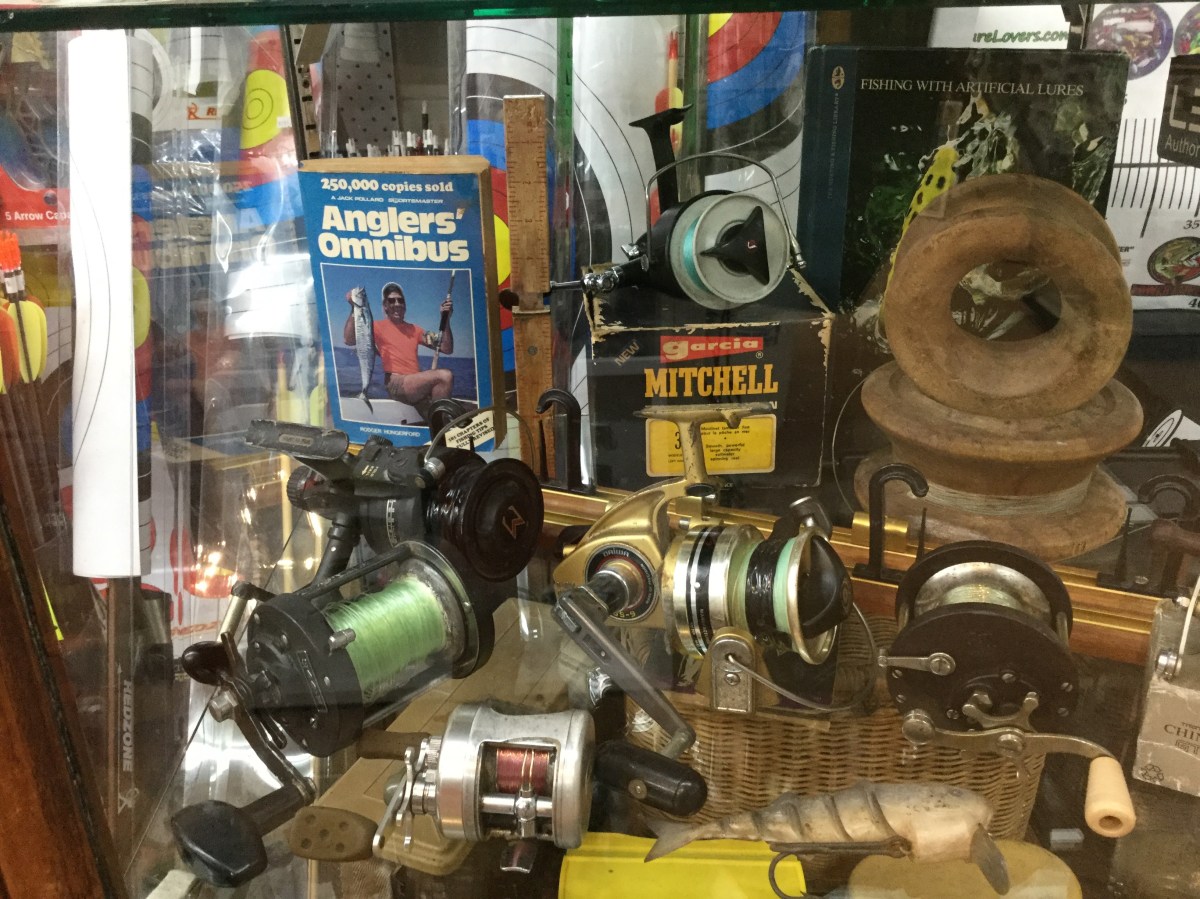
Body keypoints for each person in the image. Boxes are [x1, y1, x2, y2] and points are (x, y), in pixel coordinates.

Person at [343, 281, 453, 423]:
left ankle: (439, 427)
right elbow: (349, 340)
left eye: (400, 301)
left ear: (405, 306)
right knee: (445, 376)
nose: (397, 304)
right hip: (396, 383)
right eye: (391, 301)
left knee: (450, 415)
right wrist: (354, 308)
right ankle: (439, 426)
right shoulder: (376, 326)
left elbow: (446, 348)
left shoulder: (415, 330)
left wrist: (446, 319)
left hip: (415, 383)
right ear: (385, 306)